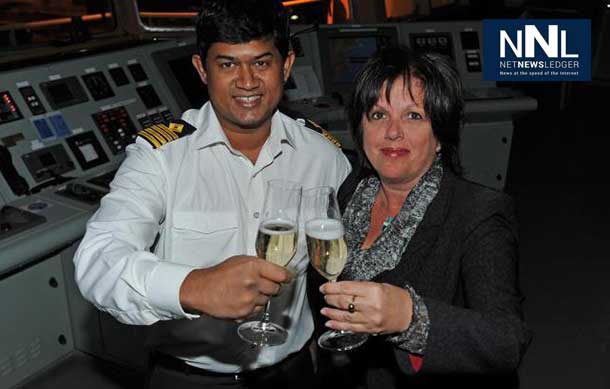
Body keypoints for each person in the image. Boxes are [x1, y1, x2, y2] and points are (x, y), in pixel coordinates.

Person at [73, 1, 351, 388]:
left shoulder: (324, 156)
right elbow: (98, 259)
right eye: (227, 64)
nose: (247, 81)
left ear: (286, 66)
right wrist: (192, 287)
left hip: (294, 372)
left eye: (261, 62)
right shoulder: (160, 158)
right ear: (201, 69)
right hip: (189, 377)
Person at [307, 46, 532, 388]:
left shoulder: (478, 212)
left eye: (413, 116)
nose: (393, 132)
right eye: (378, 115)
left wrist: (410, 317)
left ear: (440, 134)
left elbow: (506, 340)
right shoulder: (350, 192)